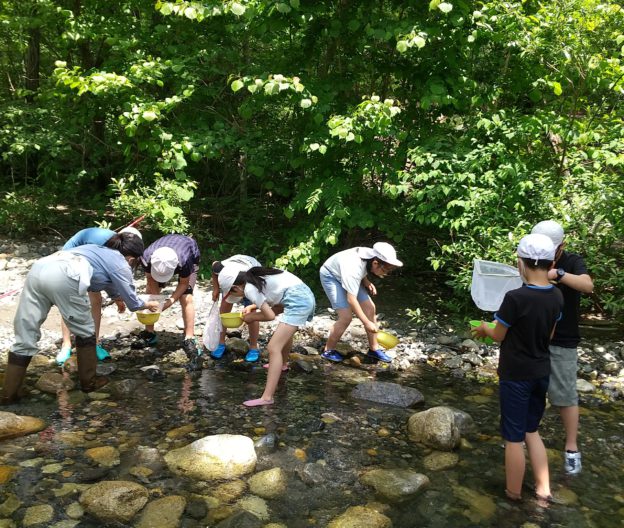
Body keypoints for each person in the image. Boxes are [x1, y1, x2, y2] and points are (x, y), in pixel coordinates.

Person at [1, 243, 160, 404]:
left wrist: (118, 298)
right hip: (65, 274)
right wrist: (149, 304)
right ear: (132, 258)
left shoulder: (98, 250)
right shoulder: (120, 262)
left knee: (25, 334)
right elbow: (134, 303)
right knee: (85, 331)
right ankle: (89, 383)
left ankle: (9, 394)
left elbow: (111, 285)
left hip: (38, 269)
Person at [472, 233, 564, 502]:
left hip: (515, 375)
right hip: (540, 372)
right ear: (551, 261)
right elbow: (549, 335)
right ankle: (543, 490)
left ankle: (512, 495)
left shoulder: (515, 298)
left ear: (521, 263)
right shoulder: (557, 296)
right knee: (531, 431)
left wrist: (484, 328)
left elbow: (499, 334)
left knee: (513, 437)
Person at [532, 220, 594, 475]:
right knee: (531, 389)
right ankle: (527, 436)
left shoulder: (572, 261)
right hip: (533, 337)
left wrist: (558, 274)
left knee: (565, 395)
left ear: (561, 247)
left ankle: (571, 447)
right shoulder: (532, 256)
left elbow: (588, 286)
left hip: (564, 339)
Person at [218, 265, 315, 406]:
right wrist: (253, 308)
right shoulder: (255, 277)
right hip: (303, 296)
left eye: (234, 294)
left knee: (273, 348)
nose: (238, 297)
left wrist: (252, 318)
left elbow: (270, 315)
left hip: (298, 302)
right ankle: (282, 364)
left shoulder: (249, 288)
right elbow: (276, 301)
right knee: (285, 331)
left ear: (236, 287)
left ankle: (267, 398)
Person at [57, 226, 143, 364]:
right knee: (71, 298)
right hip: (73, 254)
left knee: (96, 298)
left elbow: (111, 278)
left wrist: (117, 298)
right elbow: (107, 274)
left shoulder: (122, 251)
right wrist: (118, 297)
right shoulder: (107, 245)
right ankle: (66, 345)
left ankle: (94, 343)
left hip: (91, 262)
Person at [319, 242, 402, 363]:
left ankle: (374, 350)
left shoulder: (371, 256)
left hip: (347, 274)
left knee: (370, 308)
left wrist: (366, 281)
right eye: (386, 269)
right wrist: (367, 322)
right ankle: (328, 350)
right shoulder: (353, 268)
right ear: (376, 263)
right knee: (346, 317)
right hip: (331, 275)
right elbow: (351, 299)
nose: (386, 273)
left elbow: (363, 268)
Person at [134, 234, 201, 360]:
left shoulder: (185, 260)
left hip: (188, 249)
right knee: (151, 292)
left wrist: (169, 302)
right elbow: (150, 280)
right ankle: (149, 333)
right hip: (163, 254)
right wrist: (156, 302)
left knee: (186, 297)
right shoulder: (146, 257)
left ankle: (189, 338)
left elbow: (183, 283)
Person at [210, 255, 262, 362]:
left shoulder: (254, 280)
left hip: (250, 273)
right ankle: (220, 343)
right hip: (233, 274)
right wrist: (215, 289)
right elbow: (213, 265)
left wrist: (251, 307)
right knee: (223, 311)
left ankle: (253, 348)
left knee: (252, 315)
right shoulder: (221, 269)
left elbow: (265, 302)